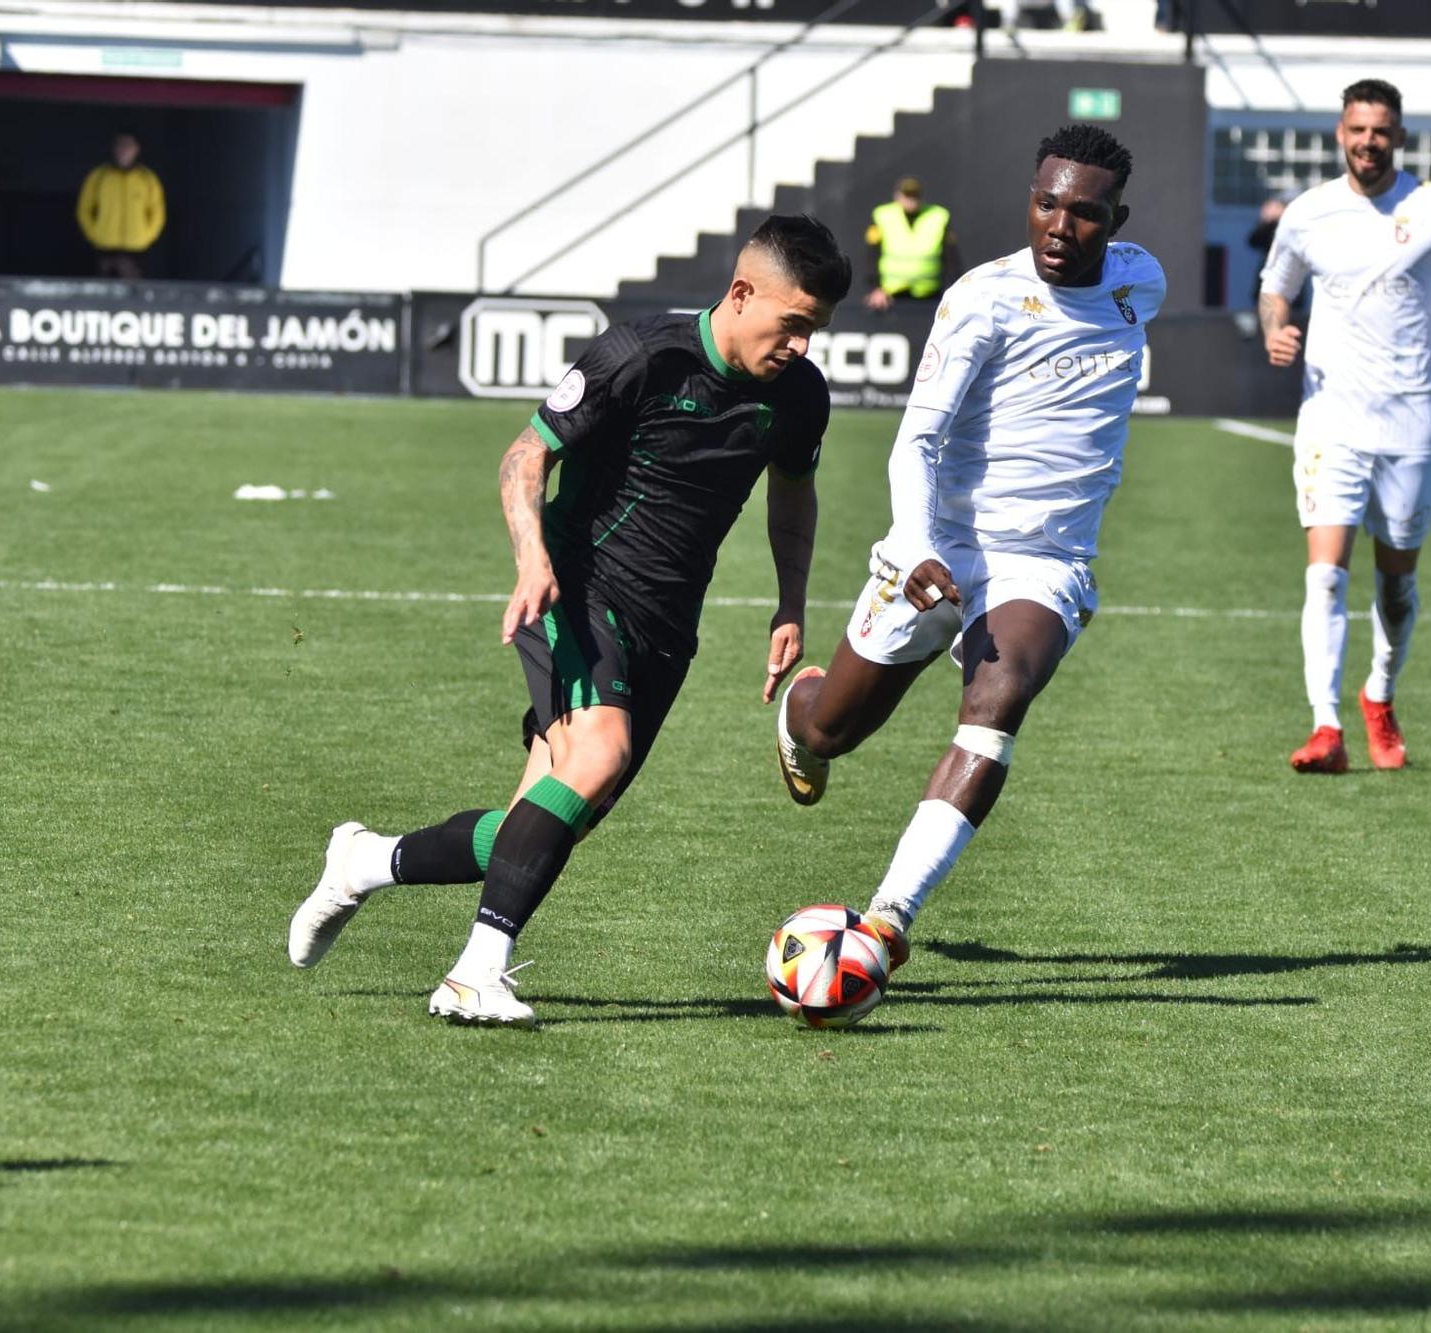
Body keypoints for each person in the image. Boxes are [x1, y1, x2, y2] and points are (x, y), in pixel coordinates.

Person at [286, 215, 851, 1028]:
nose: (801, 345)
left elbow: (793, 491)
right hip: (575, 589)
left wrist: (790, 602)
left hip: (668, 625)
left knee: (550, 817)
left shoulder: (799, 396)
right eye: (792, 323)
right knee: (601, 754)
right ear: (741, 292)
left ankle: (366, 860)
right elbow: (526, 453)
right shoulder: (641, 355)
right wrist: (532, 559)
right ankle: (473, 975)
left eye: (815, 330)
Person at [774, 125, 1163, 963]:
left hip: (1043, 560)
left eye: (1086, 214)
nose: (1061, 226)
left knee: (1001, 692)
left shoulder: (1142, 283)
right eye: (1046, 204)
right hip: (940, 541)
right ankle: (799, 714)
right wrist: (915, 545)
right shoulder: (982, 299)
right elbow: (913, 440)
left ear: (1116, 220)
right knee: (832, 731)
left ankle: (886, 920)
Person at [1256, 78, 1431, 774]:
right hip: (1331, 418)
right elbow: (1275, 288)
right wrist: (1276, 329)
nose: (1369, 141)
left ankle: (1379, 695)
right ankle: (1326, 727)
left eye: (1381, 130)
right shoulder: (1308, 214)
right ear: (1341, 132)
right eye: (1358, 129)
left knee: (1396, 582)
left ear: (1398, 135)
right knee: (1325, 577)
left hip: (1412, 423)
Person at [76, 131, 165, 279]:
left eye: (128, 146)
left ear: (137, 149)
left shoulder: (147, 179)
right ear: (114, 149)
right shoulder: (99, 176)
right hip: (105, 245)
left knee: (134, 293)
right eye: (121, 146)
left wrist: (146, 237)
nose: (124, 150)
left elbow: (157, 213)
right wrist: (95, 234)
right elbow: (84, 209)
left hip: (136, 247)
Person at [863, 176, 956, 312]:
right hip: (891, 294)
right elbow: (872, 255)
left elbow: (952, 258)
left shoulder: (938, 216)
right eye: (907, 195)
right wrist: (875, 288)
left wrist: (952, 292)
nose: (911, 200)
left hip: (929, 293)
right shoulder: (883, 215)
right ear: (897, 196)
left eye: (915, 196)